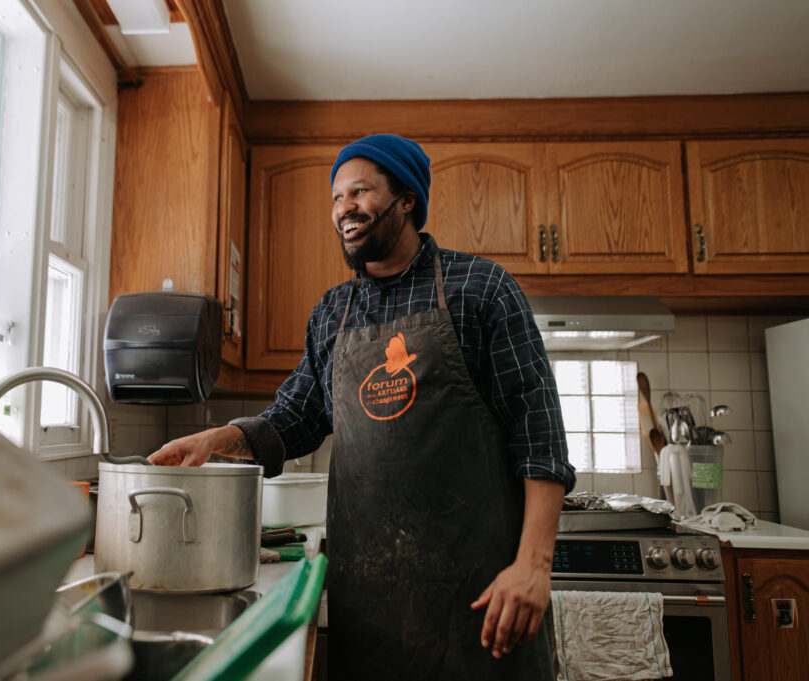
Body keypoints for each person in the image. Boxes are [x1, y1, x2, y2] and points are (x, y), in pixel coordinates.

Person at [148, 133, 575, 680]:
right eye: (335, 197)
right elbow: (295, 417)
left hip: (481, 600)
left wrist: (533, 566)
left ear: (407, 201)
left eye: (359, 191)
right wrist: (216, 439)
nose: (342, 209)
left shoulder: (482, 289)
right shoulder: (333, 312)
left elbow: (538, 432)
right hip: (369, 608)